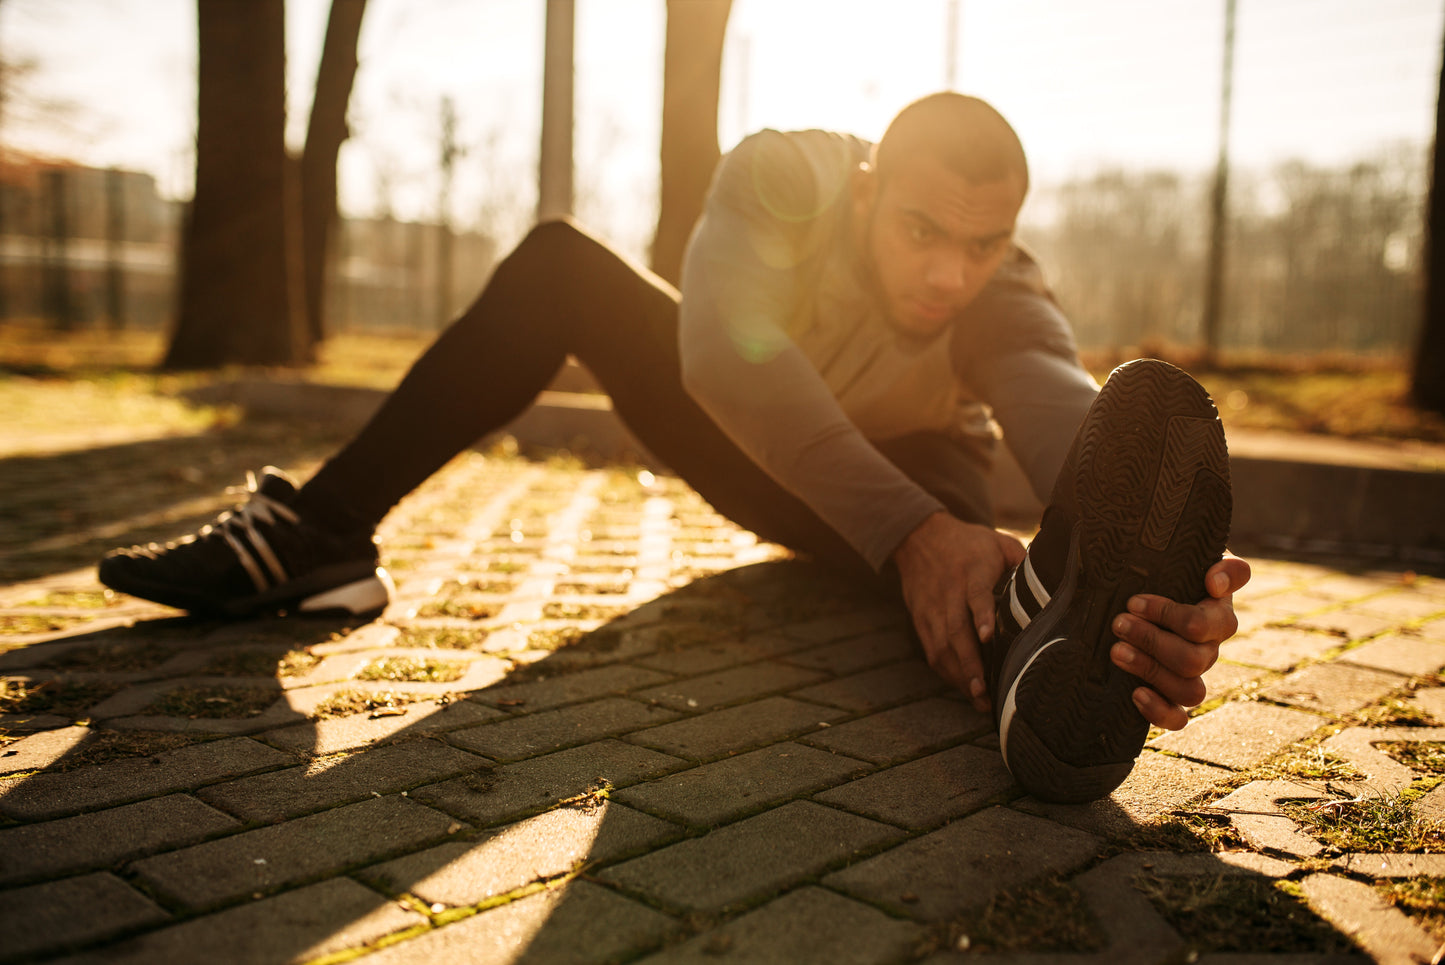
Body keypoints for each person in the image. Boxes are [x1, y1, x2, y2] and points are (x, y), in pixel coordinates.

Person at [101, 93, 1248, 802]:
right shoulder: (784, 180)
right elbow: (721, 357)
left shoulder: (997, 283)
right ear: (863, 191)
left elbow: (1060, 410)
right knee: (559, 263)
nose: (951, 271)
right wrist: (907, 536)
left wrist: (1153, 578)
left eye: (983, 242)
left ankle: (1043, 629)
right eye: (921, 232)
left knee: (1004, 543)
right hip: (757, 439)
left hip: (921, 480)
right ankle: (319, 532)